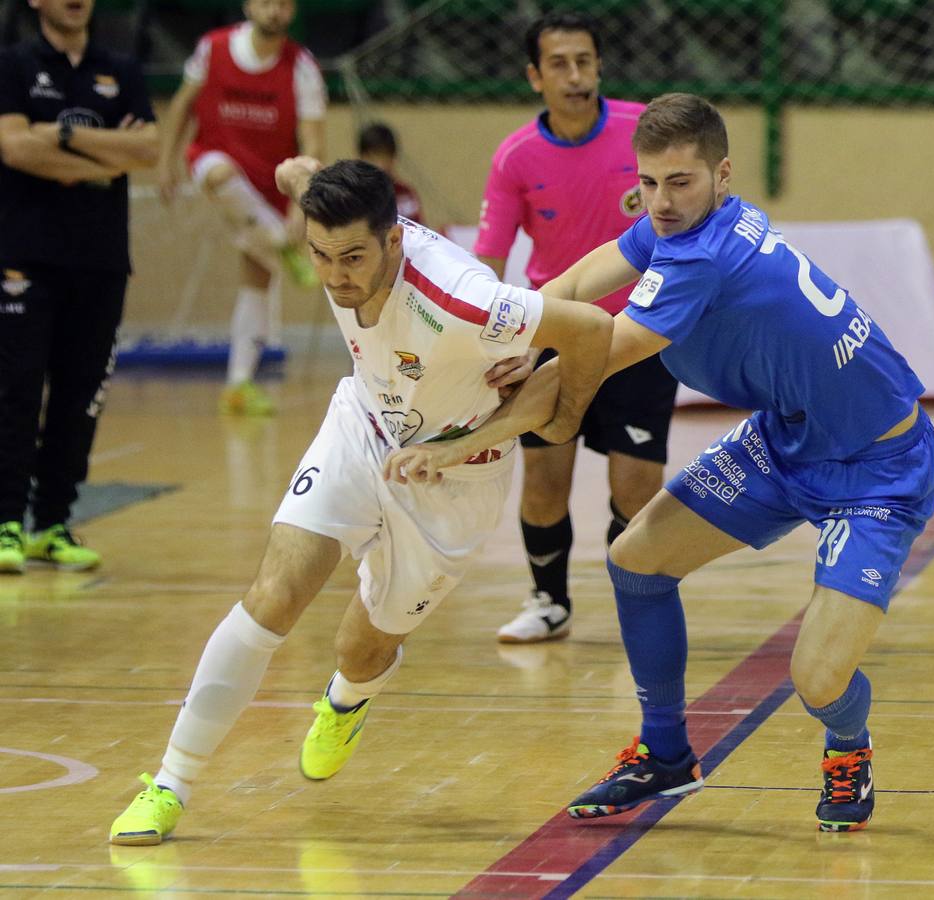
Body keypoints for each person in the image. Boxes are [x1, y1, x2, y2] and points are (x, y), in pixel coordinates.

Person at [443, 93, 934, 832]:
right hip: (787, 440)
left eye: (680, 182)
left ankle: (848, 743)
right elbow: (573, 287)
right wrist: (507, 342)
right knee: (637, 559)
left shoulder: (702, 256)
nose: (661, 201)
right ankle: (667, 755)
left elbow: (595, 355)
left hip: (878, 466)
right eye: (648, 183)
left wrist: (466, 429)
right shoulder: (672, 229)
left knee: (817, 678)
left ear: (723, 175)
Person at [107, 158, 613, 845]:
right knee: (274, 596)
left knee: (361, 646)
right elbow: (303, 179)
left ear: (395, 241)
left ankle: (347, 699)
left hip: (454, 477)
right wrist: (293, 173)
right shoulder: (331, 230)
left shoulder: (463, 300)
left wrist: (562, 416)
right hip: (364, 425)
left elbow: (589, 327)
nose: (336, 274)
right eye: (320, 256)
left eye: (352, 257)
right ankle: (170, 783)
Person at [475, 12, 679, 644]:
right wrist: (486, 342)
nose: (575, 76)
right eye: (559, 64)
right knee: (543, 480)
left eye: (585, 61)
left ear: (599, 66)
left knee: (637, 486)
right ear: (535, 76)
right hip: (554, 336)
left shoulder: (640, 130)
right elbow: (486, 263)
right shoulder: (515, 157)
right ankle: (548, 600)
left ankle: (634, 599)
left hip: (639, 335)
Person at [0, 0, 157, 573]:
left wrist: (56, 139)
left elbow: (147, 150)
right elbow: (13, 147)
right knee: (16, 393)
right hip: (25, 260)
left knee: (79, 397)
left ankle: (53, 524)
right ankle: (6, 522)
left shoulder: (123, 69)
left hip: (101, 262)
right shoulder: (13, 65)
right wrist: (103, 155)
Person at [156, 0, 327, 417]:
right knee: (219, 175)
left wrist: (299, 205)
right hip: (213, 160)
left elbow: (314, 144)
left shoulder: (302, 67)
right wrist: (166, 160)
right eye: (268, 2)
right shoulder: (212, 48)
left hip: (270, 187)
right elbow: (181, 105)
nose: (276, 11)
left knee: (256, 280)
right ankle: (279, 244)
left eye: (285, 4)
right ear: (249, 5)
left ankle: (239, 385)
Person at [356, 121, 424, 225]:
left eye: (383, 156)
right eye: (371, 157)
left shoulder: (404, 194)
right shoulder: (353, 193)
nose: (378, 165)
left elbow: (418, 230)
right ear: (361, 157)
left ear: (393, 158)